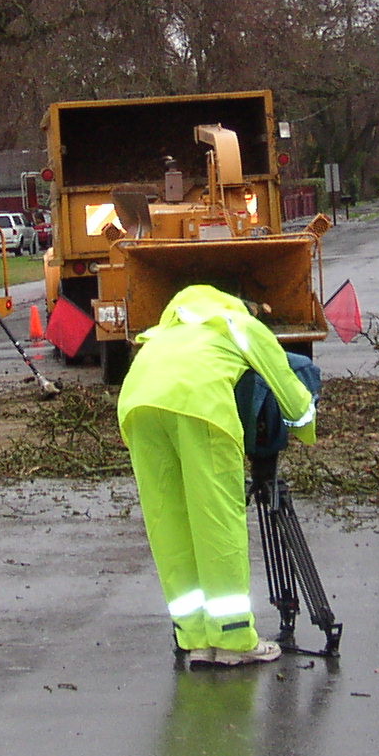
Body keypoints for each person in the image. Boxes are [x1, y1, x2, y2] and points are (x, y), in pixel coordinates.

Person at [117, 284, 318, 667]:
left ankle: (195, 637)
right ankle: (232, 640)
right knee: (217, 522)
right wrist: (305, 426)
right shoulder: (237, 322)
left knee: (170, 523)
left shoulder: (166, 331)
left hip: (138, 408)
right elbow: (289, 391)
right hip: (202, 408)